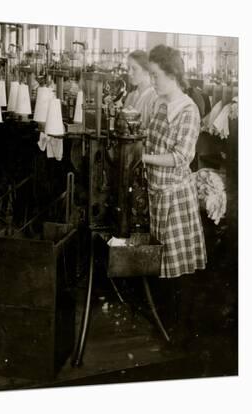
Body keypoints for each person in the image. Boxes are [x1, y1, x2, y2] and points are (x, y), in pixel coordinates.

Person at [142, 45, 207, 345]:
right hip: (156, 193)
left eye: (156, 76)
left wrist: (142, 157)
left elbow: (181, 157)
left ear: (171, 75)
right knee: (161, 263)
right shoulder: (159, 103)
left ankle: (181, 334)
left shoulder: (188, 110)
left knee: (178, 268)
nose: (152, 81)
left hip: (176, 197)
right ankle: (166, 325)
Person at [124, 50, 157, 129]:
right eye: (128, 68)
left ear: (146, 70)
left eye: (134, 69)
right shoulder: (130, 96)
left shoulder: (155, 98)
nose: (129, 73)